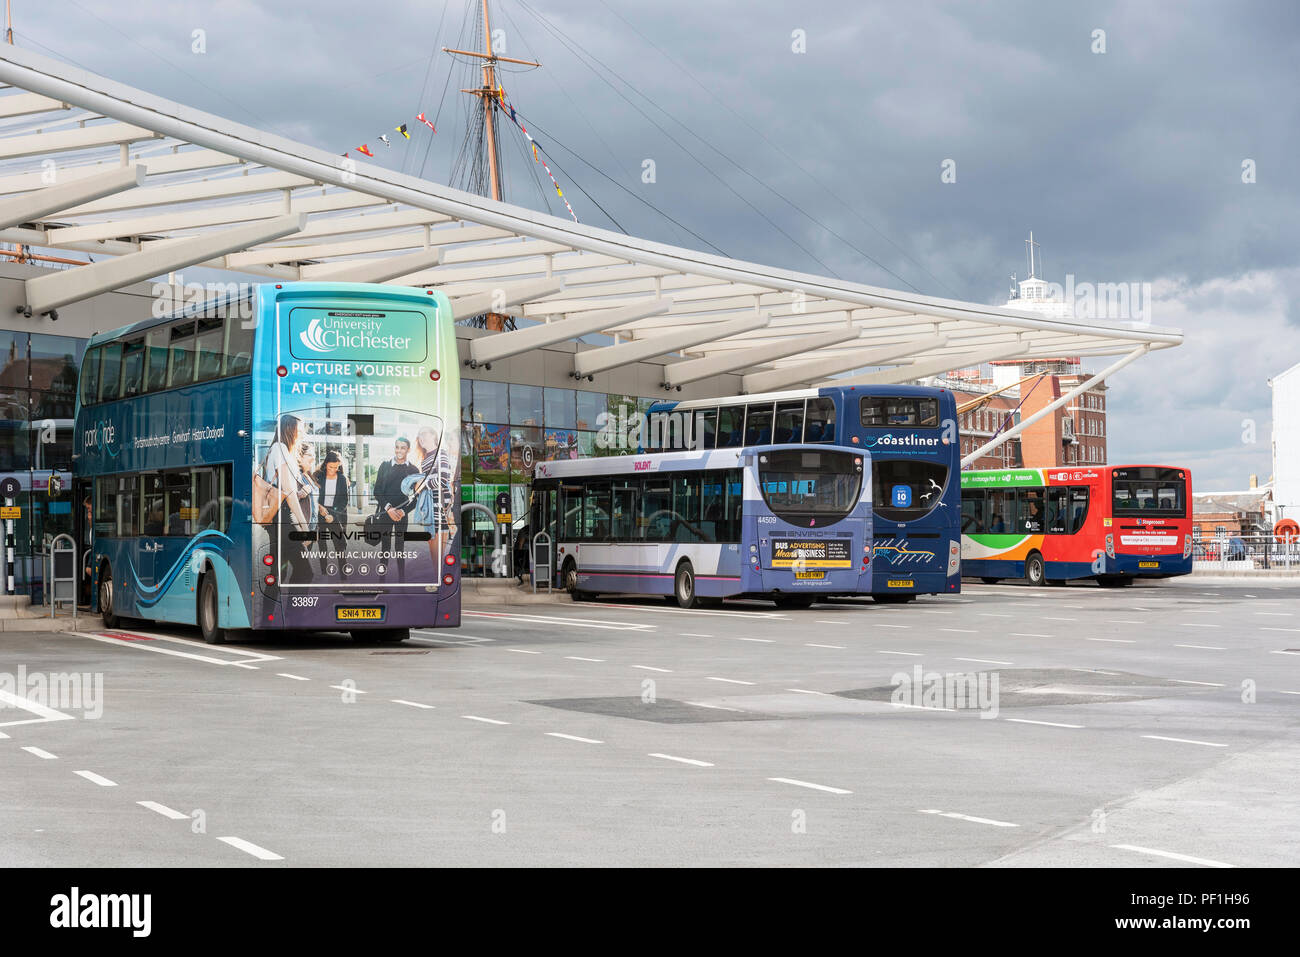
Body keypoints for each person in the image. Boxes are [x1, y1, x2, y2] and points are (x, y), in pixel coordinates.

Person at [397, 422, 458, 572]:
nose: (421, 437)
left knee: (438, 552)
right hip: (428, 506)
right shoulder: (425, 459)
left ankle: (440, 582)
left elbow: (443, 479)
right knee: (432, 548)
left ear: (433, 435)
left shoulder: (441, 453)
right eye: (419, 435)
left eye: (424, 433)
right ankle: (437, 580)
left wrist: (422, 484)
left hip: (439, 507)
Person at [373, 437, 418, 580]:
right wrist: (388, 508)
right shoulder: (385, 466)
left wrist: (403, 511)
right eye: (397, 447)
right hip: (386, 513)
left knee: (400, 548)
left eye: (403, 447)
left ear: (408, 450)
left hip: (401, 515)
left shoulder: (413, 470)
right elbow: (377, 491)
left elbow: (416, 497)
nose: (399, 450)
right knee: (384, 548)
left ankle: (402, 580)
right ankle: (381, 581)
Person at [313, 450, 350, 573]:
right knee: (322, 545)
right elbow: (313, 496)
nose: (333, 469)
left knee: (340, 545)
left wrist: (333, 515)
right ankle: (324, 572)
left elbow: (344, 501)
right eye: (330, 467)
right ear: (326, 464)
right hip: (320, 513)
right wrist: (320, 509)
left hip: (336, 515)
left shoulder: (342, 478)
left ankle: (343, 574)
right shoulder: (318, 476)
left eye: (336, 467)